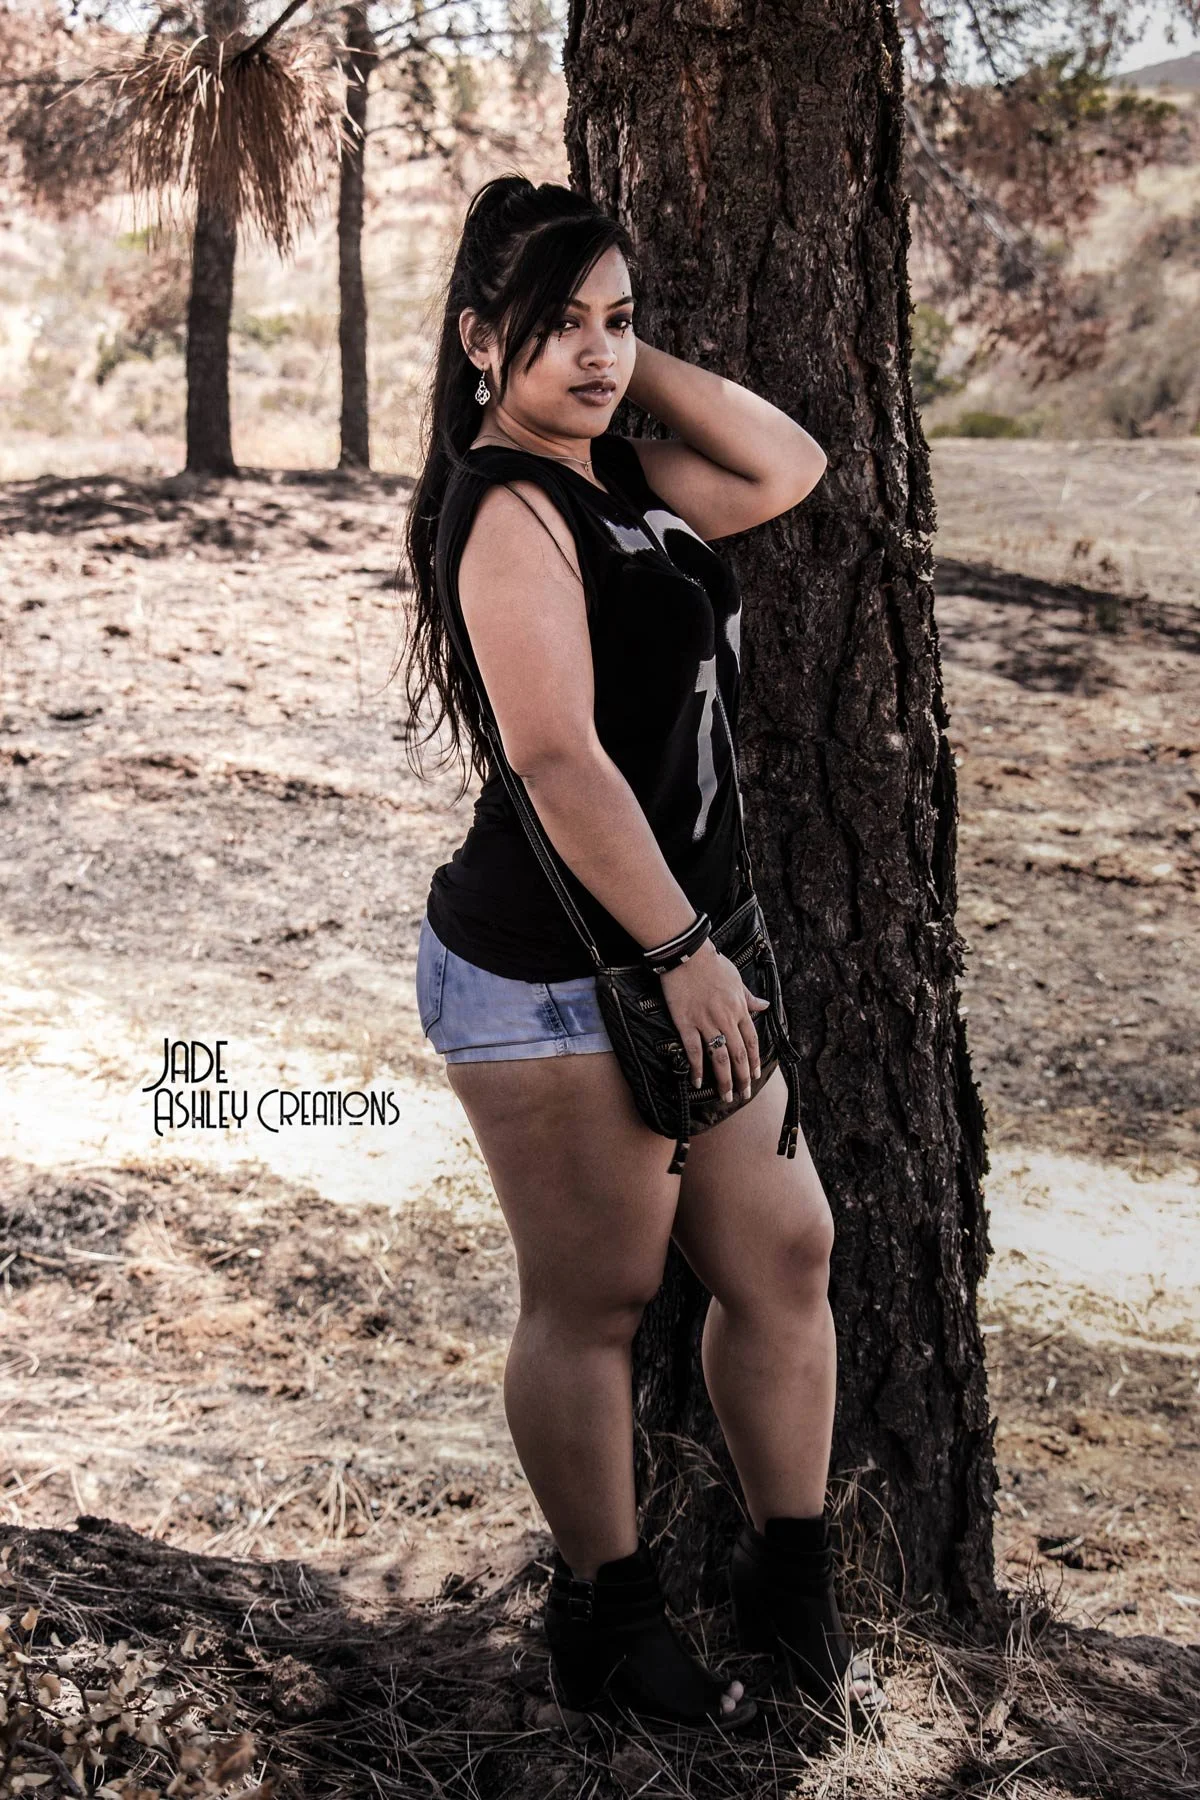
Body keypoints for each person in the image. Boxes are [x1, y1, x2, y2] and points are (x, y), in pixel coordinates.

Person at [400, 174, 885, 1735]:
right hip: (553, 967)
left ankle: (788, 1587)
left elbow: (788, 462)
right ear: (479, 341)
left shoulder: (621, 478)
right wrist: (677, 946)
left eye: (621, 321)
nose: (601, 355)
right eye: (558, 328)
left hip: (694, 953)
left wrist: (605, 339)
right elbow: (557, 759)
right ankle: (606, 1615)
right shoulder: (507, 508)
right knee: (597, 1299)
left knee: (783, 1254)